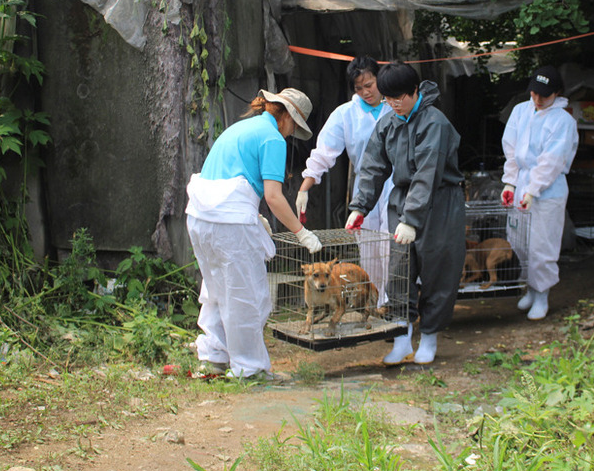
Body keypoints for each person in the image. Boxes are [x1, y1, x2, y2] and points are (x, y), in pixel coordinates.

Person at [185, 88, 323, 379]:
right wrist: (301, 232)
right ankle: (250, 370)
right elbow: (273, 196)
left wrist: (251, 213)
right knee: (245, 293)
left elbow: (227, 177)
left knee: (215, 289)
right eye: (293, 127)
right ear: (286, 115)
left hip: (199, 216)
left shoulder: (242, 127)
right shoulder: (272, 138)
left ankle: (213, 357)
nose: (290, 134)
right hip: (229, 223)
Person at [345, 61, 465, 365]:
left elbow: (428, 173)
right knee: (399, 272)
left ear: (415, 91)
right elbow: (372, 166)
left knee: (438, 269)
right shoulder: (388, 123)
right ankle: (401, 338)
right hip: (402, 200)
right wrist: (360, 206)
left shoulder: (434, 123)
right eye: (388, 98)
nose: (394, 104)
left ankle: (429, 337)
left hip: (440, 203)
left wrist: (412, 220)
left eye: (400, 97)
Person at [296, 56, 394, 306]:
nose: (365, 92)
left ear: (379, 79)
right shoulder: (346, 114)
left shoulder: (396, 106)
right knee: (370, 252)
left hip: (397, 186)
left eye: (369, 85)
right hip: (366, 190)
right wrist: (305, 187)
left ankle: (401, 304)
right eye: (359, 88)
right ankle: (377, 305)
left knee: (394, 248)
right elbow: (324, 152)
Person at [501, 65, 579, 321]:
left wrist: (534, 189)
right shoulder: (521, 111)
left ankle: (542, 293)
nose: (537, 99)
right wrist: (510, 183)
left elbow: (552, 160)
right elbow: (510, 149)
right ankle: (530, 289)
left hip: (549, 189)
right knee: (519, 241)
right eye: (534, 93)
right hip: (522, 182)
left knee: (542, 244)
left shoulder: (563, 121)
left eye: (543, 96)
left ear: (556, 93)